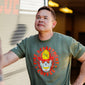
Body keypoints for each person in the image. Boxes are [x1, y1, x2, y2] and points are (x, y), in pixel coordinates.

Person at [0, 6, 85, 85]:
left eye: (45, 18)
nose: (40, 20)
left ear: (53, 24)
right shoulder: (27, 43)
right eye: (38, 17)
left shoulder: (67, 42)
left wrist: (79, 82)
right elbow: (7, 58)